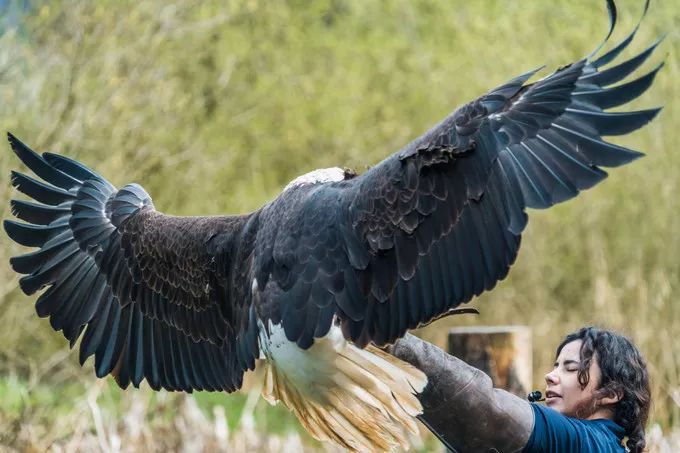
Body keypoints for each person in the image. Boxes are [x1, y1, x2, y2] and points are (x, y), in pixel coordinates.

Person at [389, 326, 650, 452]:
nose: (550, 376)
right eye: (555, 366)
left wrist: (387, 340)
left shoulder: (587, 443)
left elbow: (489, 410)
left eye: (570, 368)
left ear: (611, 393)